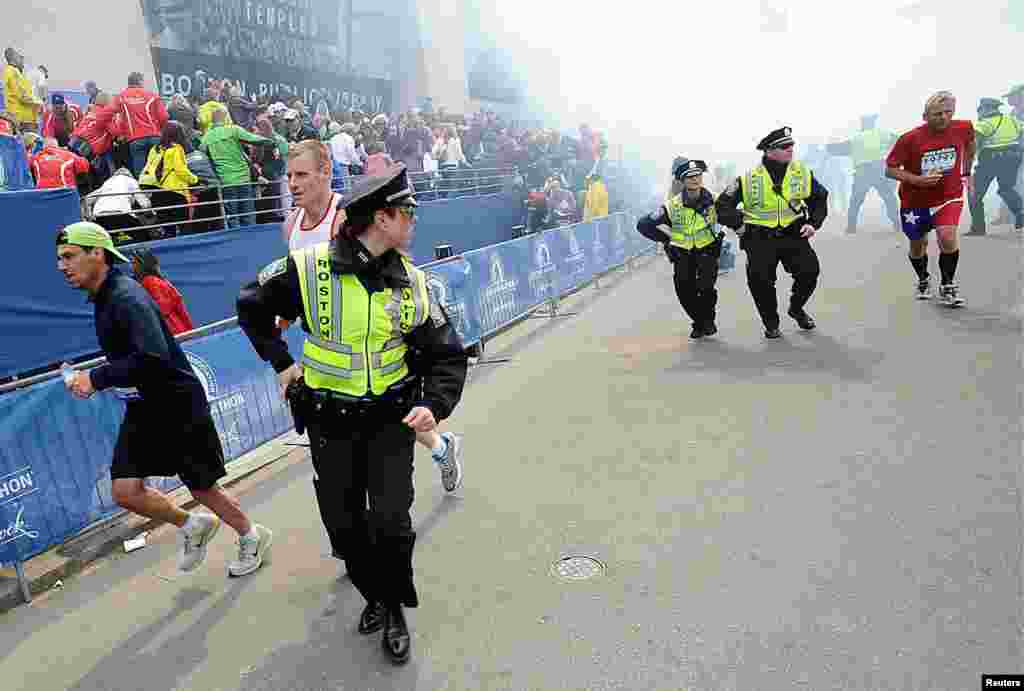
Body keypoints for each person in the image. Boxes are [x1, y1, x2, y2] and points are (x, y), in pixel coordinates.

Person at [236, 164, 468, 665]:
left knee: (391, 521)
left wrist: (432, 403)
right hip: (329, 421)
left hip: (390, 420)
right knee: (344, 527)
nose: (413, 221)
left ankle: (394, 605)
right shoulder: (309, 267)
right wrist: (282, 364)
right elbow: (250, 304)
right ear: (382, 219)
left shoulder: (413, 283)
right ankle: (376, 596)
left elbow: (446, 353)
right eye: (408, 212)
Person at [56, 222, 272, 577]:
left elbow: (152, 357)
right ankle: (192, 526)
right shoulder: (105, 296)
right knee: (125, 490)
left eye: (69, 256)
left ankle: (251, 535)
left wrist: (95, 378)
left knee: (202, 487)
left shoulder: (126, 297)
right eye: (60, 259)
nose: (62, 266)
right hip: (144, 406)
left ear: (97, 253)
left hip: (176, 405)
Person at [281, 142, 464, 491]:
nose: (293, 183)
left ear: (325, 173)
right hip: (333, 354)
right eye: (289, 175)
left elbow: (385, 265)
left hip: (376, 342)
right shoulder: (291, 225)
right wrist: (283, 350)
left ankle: (439, 448)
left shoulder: (349, 215)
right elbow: (299, 283)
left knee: (395, 419)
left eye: (302, 174)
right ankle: (440, 448)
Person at [716, 126, 828, 338]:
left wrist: (813, 223)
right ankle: (771, 323)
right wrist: (740, 226)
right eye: (784, 146)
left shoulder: (801, 172)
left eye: (792, 145)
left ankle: (796, 309)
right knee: (760, 283)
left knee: (809, 272)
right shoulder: (748, 178)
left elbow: (820, 198)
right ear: (769, 151)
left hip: (793, 233)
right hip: (759, 238)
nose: (790, 149)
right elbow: (722, 206)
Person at [885, 91, 975, 306]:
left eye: (948, 112)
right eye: (937, 114)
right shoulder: (910, 138)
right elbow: (890, 169)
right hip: (915, 201)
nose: (944, 117)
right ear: (925, 116)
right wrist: (917, 180)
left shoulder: (963, 127)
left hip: (948, 196)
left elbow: (971, 145)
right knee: (918, 245)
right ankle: (923, 278)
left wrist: (966, 172)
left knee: (947, 236)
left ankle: (948, 284)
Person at [637, 159, 724, 338]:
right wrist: (667, 239)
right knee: (684, 291)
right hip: (683, 254)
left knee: (706, 288)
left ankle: (706, 321)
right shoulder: (672, 205)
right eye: (689, 177)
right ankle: (700, 321)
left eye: (698, 175)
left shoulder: (715, 200)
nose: (695, 179)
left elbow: (732, 215)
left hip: (707, 250)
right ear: (682, 181)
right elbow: (644, 225)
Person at [200, 107, 273, 228]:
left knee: (232, 216)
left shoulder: (207, 137)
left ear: (212, 120)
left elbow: (202, 153)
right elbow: (255, 139)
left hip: (226, 181)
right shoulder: (234, 130)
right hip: (243, 178)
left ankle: (235, 243)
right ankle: (251, 239)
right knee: (248, 214)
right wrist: (272, 142)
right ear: (225, 117)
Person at [827, 114, 900, 234]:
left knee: (855, 201)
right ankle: (897, 224)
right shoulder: (883, 134)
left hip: (863, 173)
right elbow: (900, 142)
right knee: (889, 198)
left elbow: (837, 150)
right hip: (880, 171)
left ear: (863, 124)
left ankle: (851, 227)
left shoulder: (856, 139)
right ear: (873, 123)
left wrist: (828, 147)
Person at [966, 97, 1023, 235]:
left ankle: (978, 228)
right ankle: (1021, 215)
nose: (979, 113)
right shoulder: (1013, 121)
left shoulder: (984, 124)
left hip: (990, 161)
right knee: (1006, 188)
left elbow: (974, 145)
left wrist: (968, 164)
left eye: (980, 110)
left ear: (986, 109)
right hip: (1013, 159)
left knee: (974, 192)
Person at [139, 121, 198, 237]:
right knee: (183, 227)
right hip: (175, 192)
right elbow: (181, 171)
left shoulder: (155, 149)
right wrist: (195, 179)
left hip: (157, 192)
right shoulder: (176, 149)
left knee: (168, 228)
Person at [117, 72, 169, 177]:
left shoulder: (121, 97)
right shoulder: (152, 95)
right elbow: (163, 117)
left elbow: (119, 119)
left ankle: (141, 189)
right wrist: (161, 131)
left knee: (139, 169)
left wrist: (121, 134)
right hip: (154, 135)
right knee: (158, 166)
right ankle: (158, 189)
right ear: (140, 81)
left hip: (135, 139)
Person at [131, 248, 194, 335]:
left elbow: (160, 310)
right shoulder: (156, 280)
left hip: (172, 332)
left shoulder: (150, 282)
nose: (132, 266)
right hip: (176, 331)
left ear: (142, 264)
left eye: (134, 263)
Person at [3, 48, 42, 133]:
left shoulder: (16, 73)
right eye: (20, 57)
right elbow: (22, 95)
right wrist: (39, 103)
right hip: (22, 119)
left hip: (26, 118)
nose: (22, 60)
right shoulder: (12, 72)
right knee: (30, 143)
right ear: (14, 58)